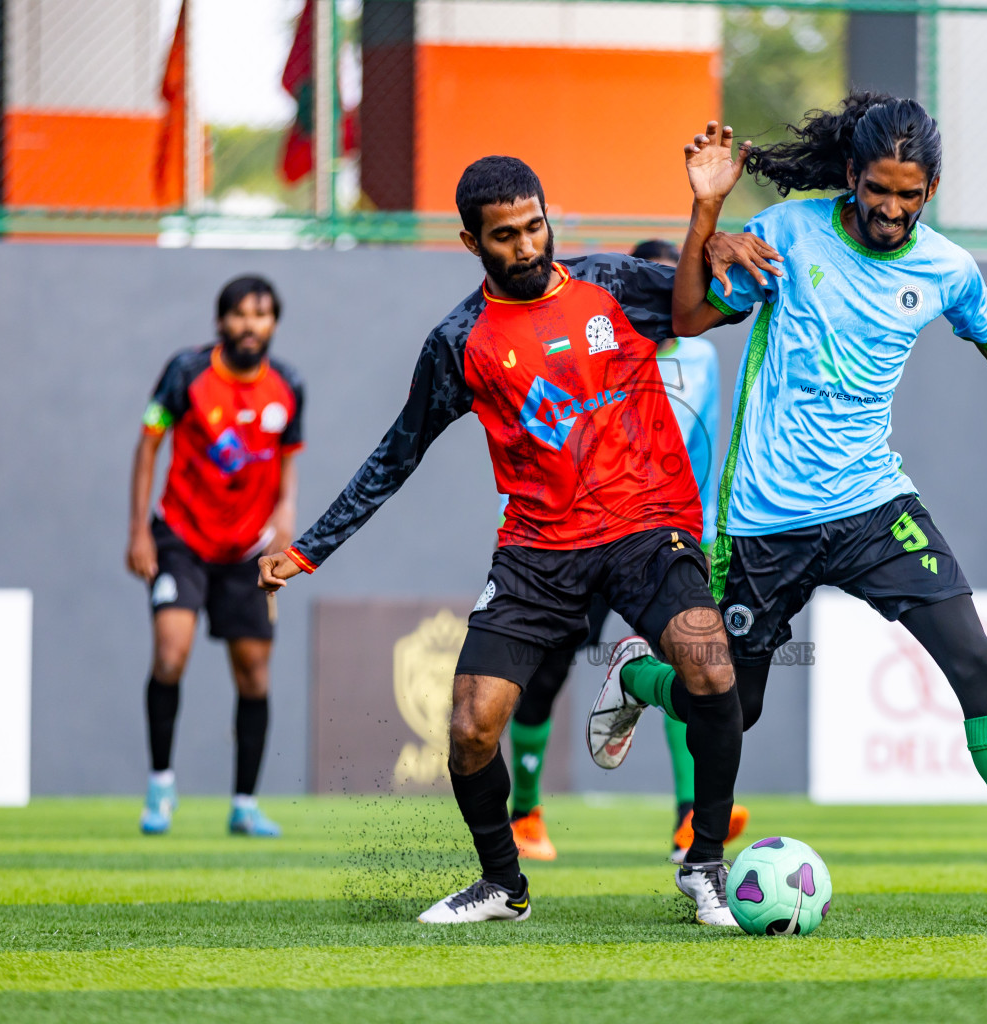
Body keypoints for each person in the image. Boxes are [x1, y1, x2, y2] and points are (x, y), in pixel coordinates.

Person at [589, 95, 987, 926]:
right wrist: (710, 218)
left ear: (932, 190)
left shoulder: (946, 269)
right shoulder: (792, 232)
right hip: (766, 518)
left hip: (875, 505)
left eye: (910, 195)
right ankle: (637, 677)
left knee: (975, 658)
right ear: (851, 177)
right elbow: (691, 317)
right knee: (737, 706)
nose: (891, 208)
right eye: (879, 189)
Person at [258, 157, 751, 926]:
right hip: (536, 550)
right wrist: (310, 547)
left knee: (714, 668)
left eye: (534, 227)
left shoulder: (612, 286)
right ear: (471, 241)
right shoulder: (459, 342)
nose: (526, 246)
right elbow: (398, 452)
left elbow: (699, 311)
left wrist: (710, 223)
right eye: (505, 236)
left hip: (645, 526)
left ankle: (706, 865)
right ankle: (503, 885)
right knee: (469, 725)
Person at [507, 239, 749, 866]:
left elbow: (703, 445)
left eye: (678, 285)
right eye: (657, 287)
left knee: (694, 658)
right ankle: (525, 812)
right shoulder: (593, 356)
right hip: (586, 537)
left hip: (670, 538)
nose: (670, 298)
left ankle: (689, 817)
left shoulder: (701, 358)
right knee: (548, 668)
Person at [126, 275, 302, 838]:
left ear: (274, 323)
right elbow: (149, 442)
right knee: (170, 654)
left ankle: (245, 805)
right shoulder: (185, 373)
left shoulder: (288, 386)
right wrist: (140, 530)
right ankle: (160, 789)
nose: (251, 325)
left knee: (253, 673)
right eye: (240, 315)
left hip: (248, 550)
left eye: (262, 315)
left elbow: (288, 461)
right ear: (221, 321)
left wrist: (284, 518)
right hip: (181, 538)